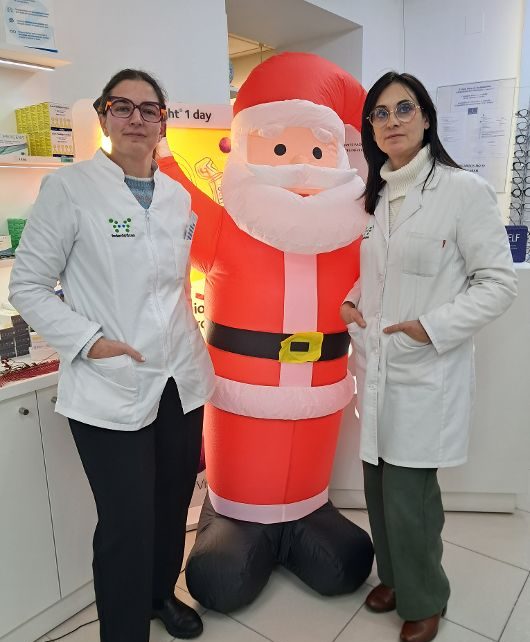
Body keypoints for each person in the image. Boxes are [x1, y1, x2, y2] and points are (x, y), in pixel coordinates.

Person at [156, 52, 374, 613]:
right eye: (279, 150)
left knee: (345, 564)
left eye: (318, 153)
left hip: (322, 392)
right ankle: (234, 516)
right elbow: (177, 200)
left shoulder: (352, 233)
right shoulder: (226, 227)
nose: (301, 169)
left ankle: (307, 510)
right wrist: (160, 154)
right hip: (241, 396)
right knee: (222, 577)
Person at [9, 68, 215, 642]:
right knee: (126, 521)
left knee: (172, 505)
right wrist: (88, 341)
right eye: (122, 107)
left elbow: (168, 287)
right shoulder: (69, 189)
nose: (136, 119)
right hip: (109, 383)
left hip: (178, 379)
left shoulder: (177, 196)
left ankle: (159, 595)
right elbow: (27, 286)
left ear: (162, 123)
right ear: (103, 115)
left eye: (149, 109)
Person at [340, 71, 517, 642]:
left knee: (410, 498)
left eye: (404, 109)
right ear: (371, 128)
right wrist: (352, 300)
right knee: (376, 486)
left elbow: (498, 284)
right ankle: (394, 579)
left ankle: (425, 597)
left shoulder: (463, 192)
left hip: (424, 372)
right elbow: (381, 273)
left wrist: (430, 329)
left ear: (426, 118)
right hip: (377, 368)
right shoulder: (377, 196)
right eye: (380, 113)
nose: (391, 121)